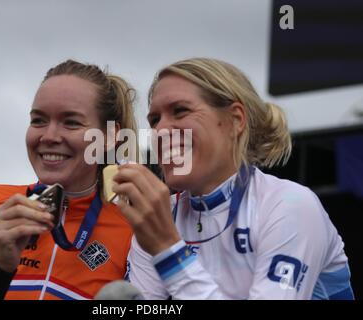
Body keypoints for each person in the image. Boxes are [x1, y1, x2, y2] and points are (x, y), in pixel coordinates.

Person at [112, 58, 354, 299]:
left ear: (236, 120)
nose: (160, 131)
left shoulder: (289, 204)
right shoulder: (163, 218)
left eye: (180, 110)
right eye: (155, 120)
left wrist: (168, 249)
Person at [0, 59, 137, 300]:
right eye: (38, 120)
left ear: (109, 137)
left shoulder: (133, 229)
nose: (49, 136)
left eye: (71, 122)